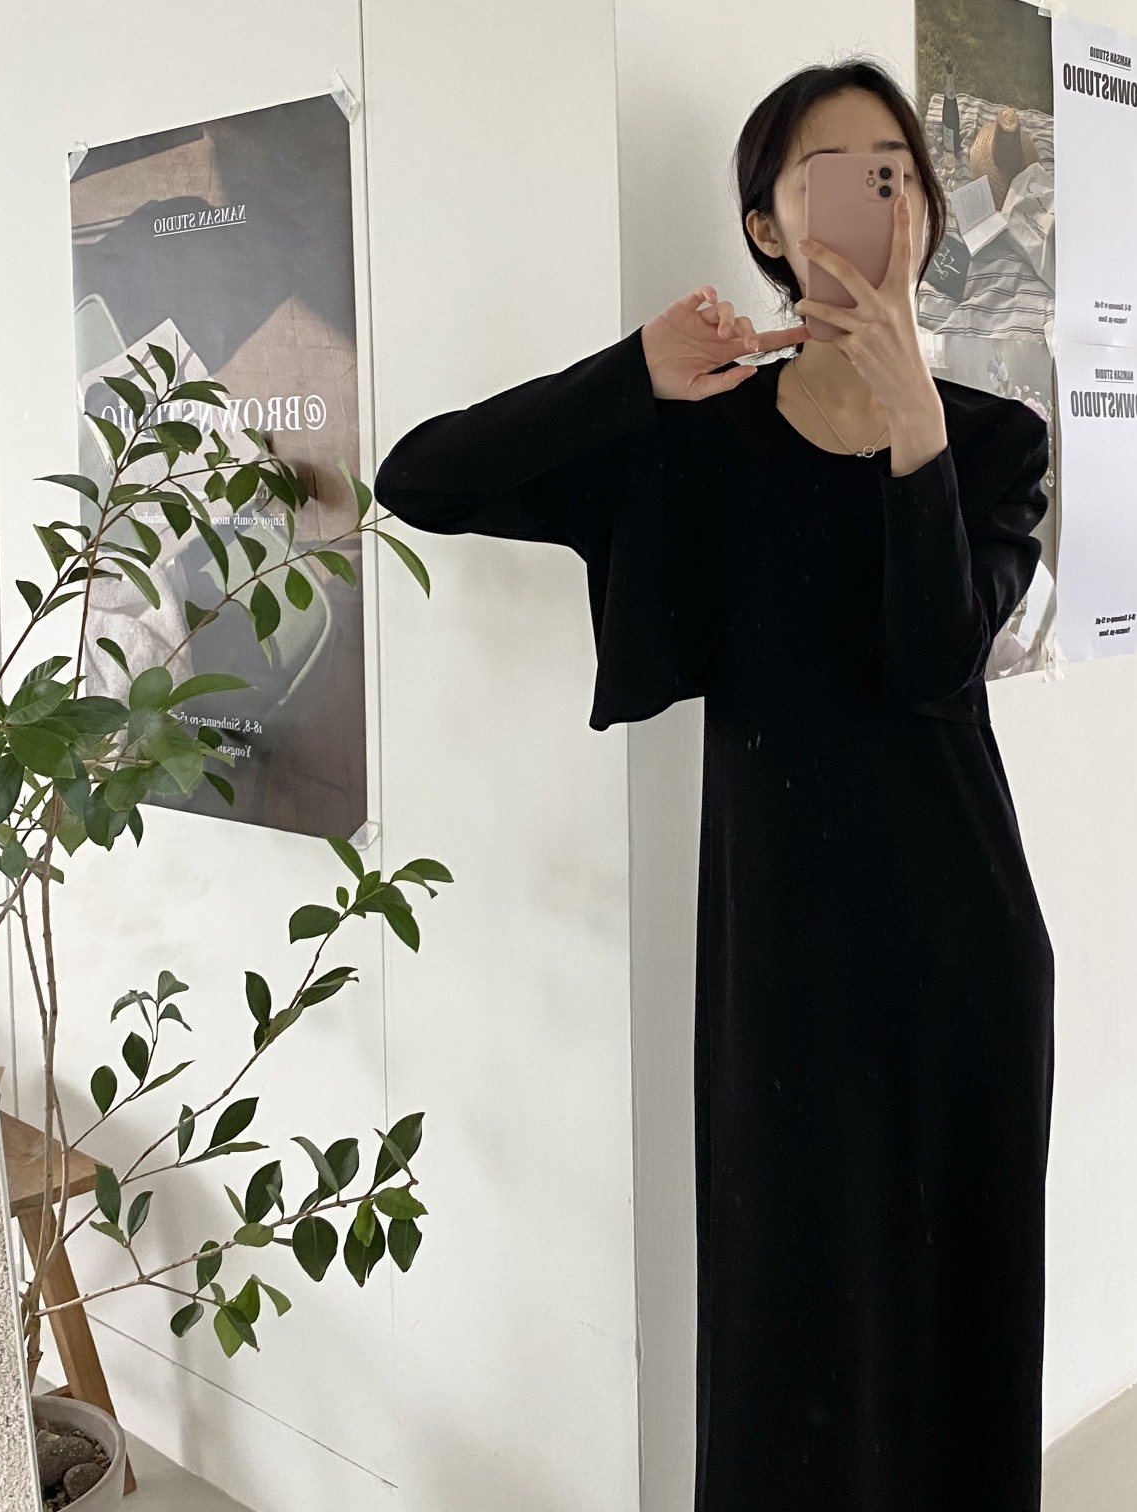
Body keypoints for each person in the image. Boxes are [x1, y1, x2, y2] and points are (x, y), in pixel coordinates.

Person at [374, 56, 1055, 1512]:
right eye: (835, 175)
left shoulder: (994, 444)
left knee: (962, 1339)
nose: (877, 199)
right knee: (780, 1337)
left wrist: (916, 425)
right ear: (767, 224)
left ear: (930, 214)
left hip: (962, 947)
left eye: (898, 174)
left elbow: (935, 660)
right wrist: (633, 372)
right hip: (781, 960)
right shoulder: (702, 436)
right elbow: (419, 480)